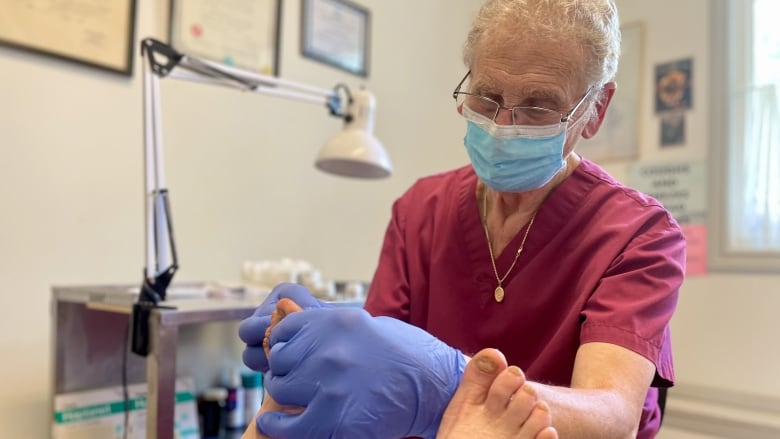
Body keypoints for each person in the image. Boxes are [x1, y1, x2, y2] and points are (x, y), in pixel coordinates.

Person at [239, 0, 685, 437]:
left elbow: (610, 418)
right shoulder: (420, 211)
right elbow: (380, 358)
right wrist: (317, 332)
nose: (503, 125)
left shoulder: (637, 234)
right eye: (488, 96)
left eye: (539, 106)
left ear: (596, 109)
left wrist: (451, 386)